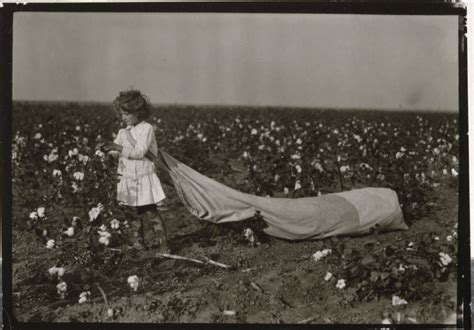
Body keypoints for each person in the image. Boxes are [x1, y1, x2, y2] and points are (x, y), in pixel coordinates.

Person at [104, 89, 170, 253]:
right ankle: (139, 243)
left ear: (137, 112)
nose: (123, 117)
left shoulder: (147, 129)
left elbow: (139, 152)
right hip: (127, 178)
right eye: (121, 114)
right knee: (132, 214)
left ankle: (164, 245)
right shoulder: (122, 132)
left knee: (151, 212)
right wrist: (107, 152)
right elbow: (116, 154)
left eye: (126, 114)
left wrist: (116, 147)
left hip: (142, 177)